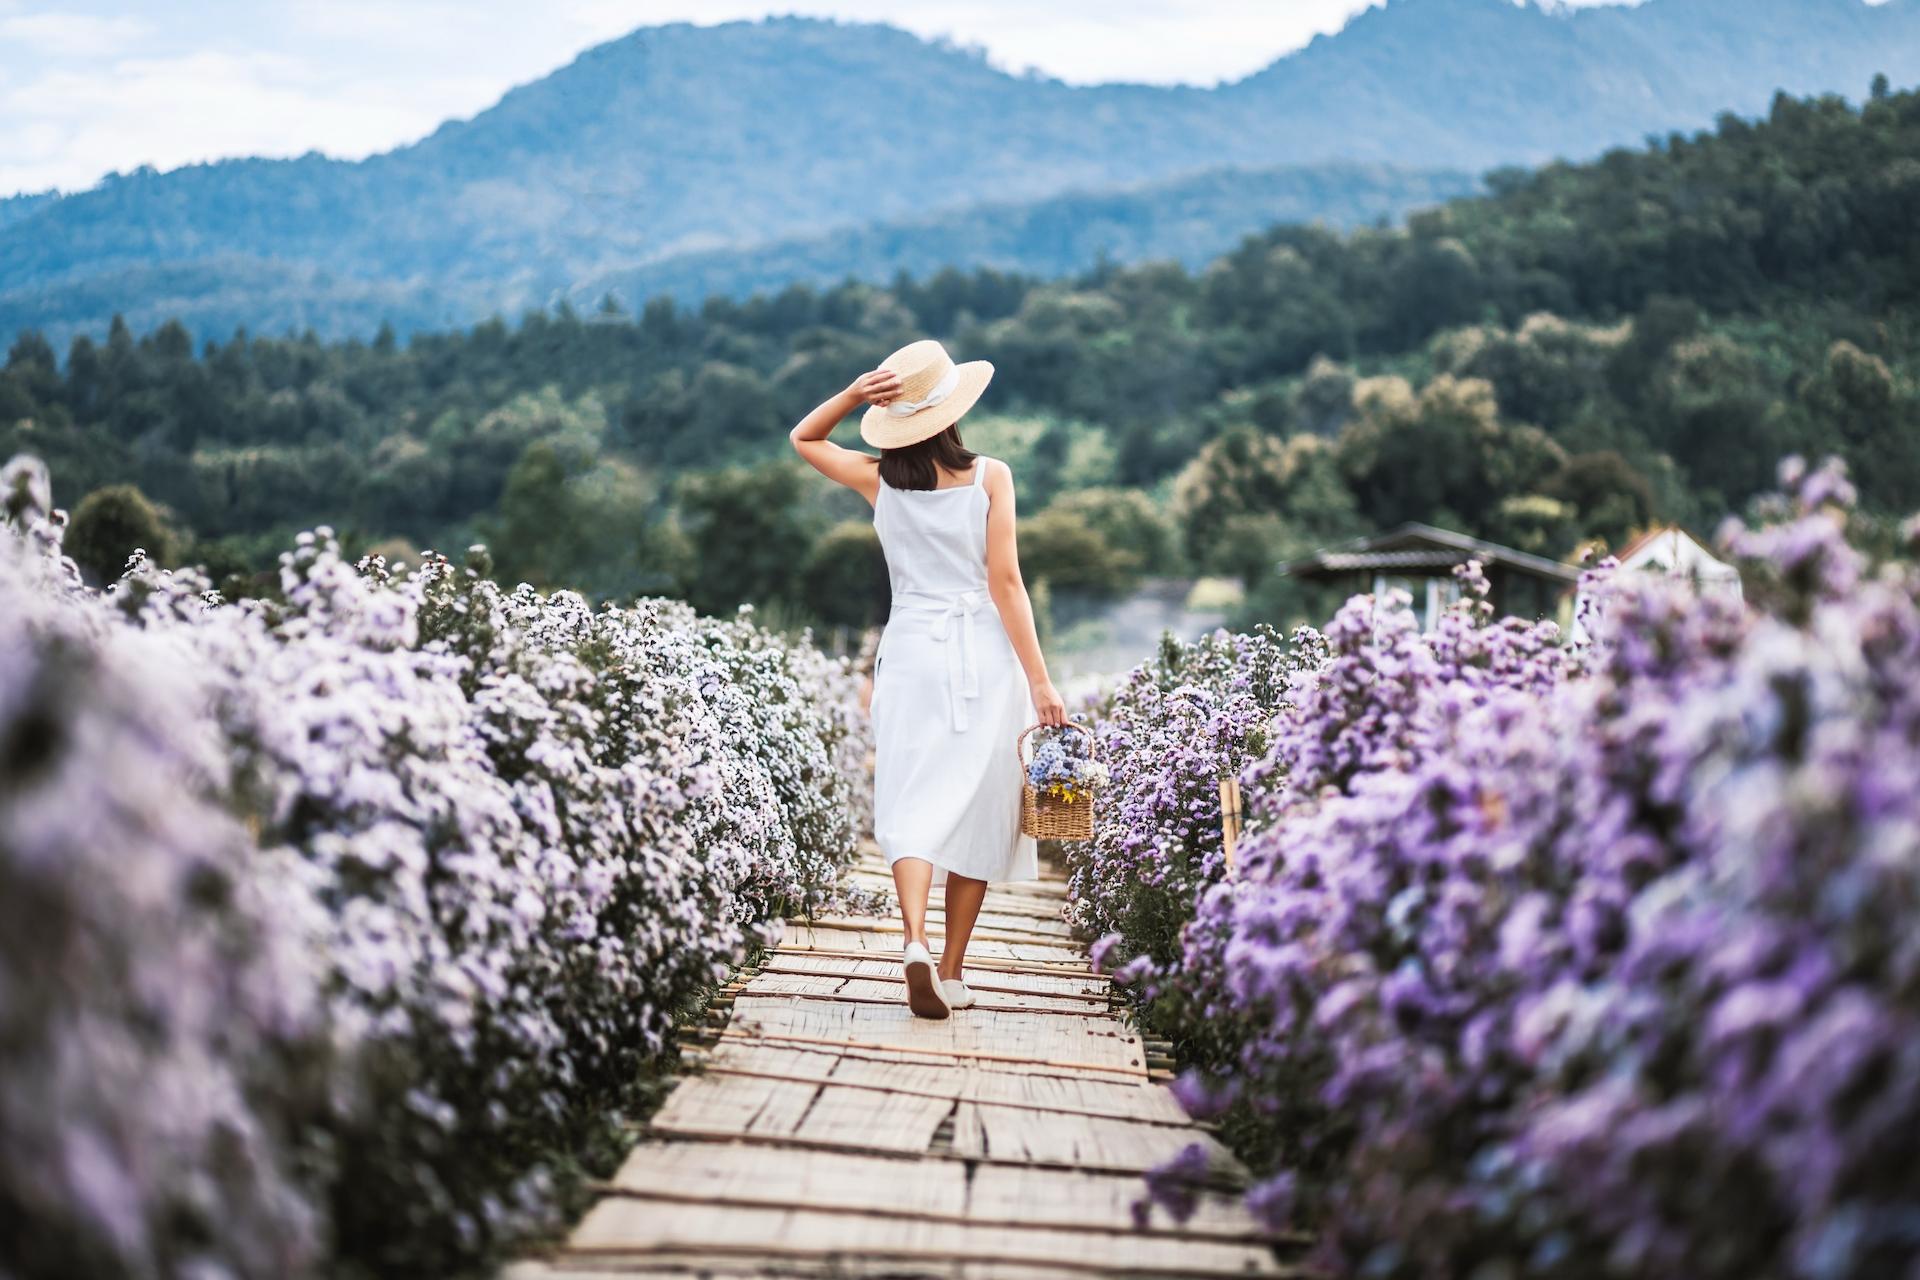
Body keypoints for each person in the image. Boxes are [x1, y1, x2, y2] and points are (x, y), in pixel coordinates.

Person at [791, 339, 1067, 1019]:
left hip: (910, 652)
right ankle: (950, 969)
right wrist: (1041, 682)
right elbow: (1006, 584)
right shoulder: (990, 477)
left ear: (895, 417)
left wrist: (856, 395)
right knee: (978, 801)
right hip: (983, 654)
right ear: (953, 410)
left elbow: (803, 437)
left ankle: (912, 940)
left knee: (911, 802)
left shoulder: (876, 478)